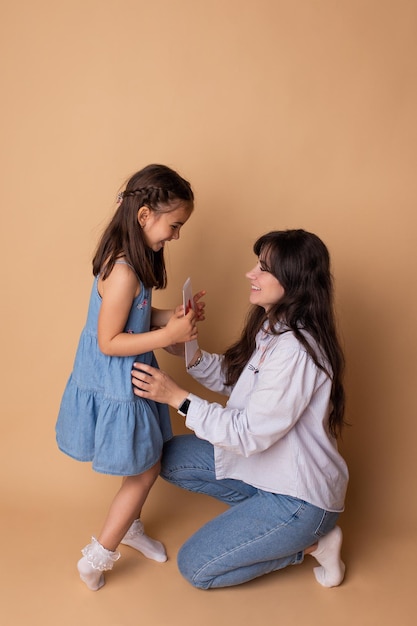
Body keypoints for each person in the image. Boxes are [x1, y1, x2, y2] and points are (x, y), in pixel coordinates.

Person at [131, 229, 349, 590]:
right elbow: (240, 383)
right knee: (165, 456)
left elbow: (249, 433)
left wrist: (178, 398)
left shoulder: (296, 349)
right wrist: (189, 352)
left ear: (294, 281)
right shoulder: (272, 328)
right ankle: (262, 521)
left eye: (263, 268)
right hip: (269, 471)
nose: (251, 274)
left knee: (195, 568)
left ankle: (312, 543)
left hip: (300, 498)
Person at [56, 164, 205, 591]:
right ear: (144, 216)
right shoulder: (122, 271)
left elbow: (134, 316)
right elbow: (108, 340)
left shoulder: (135, 260)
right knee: (146, 467)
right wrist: (168, 335)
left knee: (145, 456)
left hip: (131, 373)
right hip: (117, 378)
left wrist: (169, 318)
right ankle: (97, 556)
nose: (176, 236)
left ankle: (130, 526)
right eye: (175, 225)